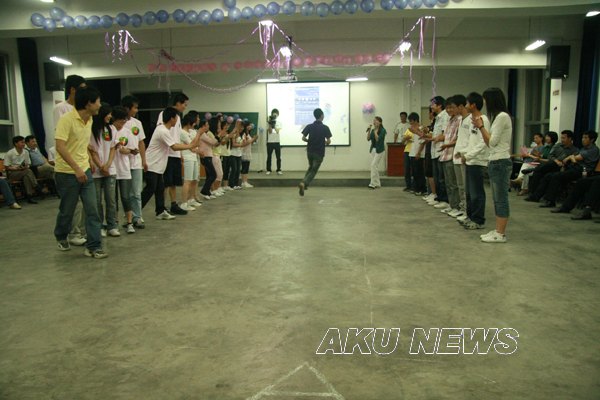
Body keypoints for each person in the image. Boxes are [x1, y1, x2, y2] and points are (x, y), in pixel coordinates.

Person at [53, 86, 107, 258]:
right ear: (88, 103)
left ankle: (93, 246)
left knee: (92, 210)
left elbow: (81, 143)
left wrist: (88, 160)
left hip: (85, 170)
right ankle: (61, 235)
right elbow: (60, 146)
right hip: (66, 173)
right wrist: (76, 168)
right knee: (67, 210)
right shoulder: (66, 120)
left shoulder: (89, 120)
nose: (100, 105)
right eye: (98, 102)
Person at [142, 107, 201, 220]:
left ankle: (160, 211)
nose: (178, 120)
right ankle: (134, 212)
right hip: (152, 164)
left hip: (158, 165)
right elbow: (174, 146)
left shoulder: (166, 130)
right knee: (150, 189)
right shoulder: (162, 130)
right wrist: (190, 146)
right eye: (176, 118)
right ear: (172, 119)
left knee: (160, 189)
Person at [472, 87, 513, 243]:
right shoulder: (498, 117)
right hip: (495, 160)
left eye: (485, 99)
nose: (484, 103)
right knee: (496, 198)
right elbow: (489, 142)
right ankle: (498, 230)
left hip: (500, 161)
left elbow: (492, 141)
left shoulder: (502, 116)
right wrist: (481, 127)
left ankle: (500, 233)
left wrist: (481, 126)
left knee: (501, 198)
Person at [53, 74, 87, 247]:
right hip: (66, 166)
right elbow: (61, 140)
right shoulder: (61, 109)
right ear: (73, 89)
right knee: (69, 206)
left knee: (86, 203)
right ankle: (64, 234)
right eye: (82, 88)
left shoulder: (85, 109)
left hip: (83, 162)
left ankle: (78, 232)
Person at [537, 130, 599, 208]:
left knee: (557, 176)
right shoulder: (583, 149)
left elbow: (576, 158)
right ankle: (538, 196)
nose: (583, 139)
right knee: (549, 175)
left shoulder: (593, 149)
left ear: (592, 140)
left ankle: (550, 201)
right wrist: (571, 158)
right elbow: (573, 158)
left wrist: (570, 157)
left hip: (583, 171)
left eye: (585, 138)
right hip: (575, 168)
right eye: (583, 137)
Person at [460, 92, 490, 229]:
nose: (465, 106)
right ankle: (470, 216)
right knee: (469, 193)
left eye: (467, 103)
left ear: (473, 105)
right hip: (470, 160)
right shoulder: (473, 120)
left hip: (478, 161)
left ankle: (478, 220)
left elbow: (483, 142)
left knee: (477, 193)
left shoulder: (483, 120)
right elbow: (472, 141)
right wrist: (464, 153)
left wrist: (469, 155)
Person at [156, 93, 189, 215]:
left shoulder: (178, 117)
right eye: (184, 104)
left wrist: (180, 154)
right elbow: (162, 131)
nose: (185, 107)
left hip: (176, 153)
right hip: (167, 152)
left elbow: (177, 136)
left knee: (174, 182)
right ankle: (162, 206)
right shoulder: (164, 114)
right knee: (166, 182)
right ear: (178, 103)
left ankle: (174, 204)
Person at [89, 103, 118, 238]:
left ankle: (112, 225)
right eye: (108, 114)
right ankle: (100, 226)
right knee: (97, 201)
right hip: (96, 171)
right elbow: (91, 150)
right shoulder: (91, 129)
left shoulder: (111, 129)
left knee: (111, 200)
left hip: (110, 170)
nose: (110, 116)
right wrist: (100, 166)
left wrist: (107, 165)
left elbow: (113, 148)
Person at [121, 95, 147, 229]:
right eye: (135, 108)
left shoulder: (137, 123)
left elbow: (141, 142)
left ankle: (137, 217)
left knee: (136, 192)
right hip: (122, 164)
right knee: (125, 194)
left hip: (136, 163)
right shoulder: (118, 123)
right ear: (127, 108)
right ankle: (128, 218)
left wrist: (144, 160)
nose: (136, 110)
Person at [111, 106, 136, 234]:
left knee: (126, 197)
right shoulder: (109, 131)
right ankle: (114, 223)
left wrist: (126, 150)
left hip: (124, 169)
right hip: (111, 169)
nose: (123, 123)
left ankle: (129, 222)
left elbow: (133, 149)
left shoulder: (127, 132)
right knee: (112, 199)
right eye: (120, 121)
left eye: (124, 121)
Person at [298, 108, 332, 196]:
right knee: (313, 170)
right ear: (321, 116)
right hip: (319, 152)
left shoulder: (309, 126)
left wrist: (309, 141)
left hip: (310, 151)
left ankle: (304, 185)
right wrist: (324, 142)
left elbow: (303, 138)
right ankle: (303, 183)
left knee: (310, 167)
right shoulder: (325, 128)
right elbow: (328, 141)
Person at [438, 96, 462, 216]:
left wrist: (447, 145)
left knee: (454, 184)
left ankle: (457, 207)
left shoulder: (460, 120)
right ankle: (452, 205)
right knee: (448, 183)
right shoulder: (450, 120)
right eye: (447, 108)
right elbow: (446, 136)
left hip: (453, 155)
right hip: (445, 154)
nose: (449, 110)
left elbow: (459, 138)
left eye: (451, 107)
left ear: (457, 107)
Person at [3, 136, 41, 204]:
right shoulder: (10, 153)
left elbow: (28, 164)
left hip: (23, 171)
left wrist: (25, 167)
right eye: (22, 142)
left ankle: (29, 197)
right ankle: (36, 185)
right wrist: (16, 168)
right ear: (16, 143)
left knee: (26, 177)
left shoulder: (26, 152)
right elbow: (6, 167)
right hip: (13, 174)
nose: (24, 144)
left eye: (24, 142)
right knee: (28, 171)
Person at [180, 112, 201, 211]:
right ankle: (184, 203)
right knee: (187, 181)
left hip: (194, 157)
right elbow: (192, 146)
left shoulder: (191, 131)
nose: (197, 121)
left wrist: (197, 136)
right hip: (187, 157)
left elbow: (197, 143)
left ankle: (190, 199)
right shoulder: (182, 132)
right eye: (196, 119)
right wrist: (199, 134)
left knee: (194, 180)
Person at [406, 112, 426, 195]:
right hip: (412, 152)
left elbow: (423, 141)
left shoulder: (421, 128)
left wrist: (419, 152)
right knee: (414, 172)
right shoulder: (412, 130)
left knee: (419, 172)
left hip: (419, 153)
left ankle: (421, 189)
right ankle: (416, 188)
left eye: (411, 121)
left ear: (415, 120)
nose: (410, 123)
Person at [367, 116, 387, 189]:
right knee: (375, 167)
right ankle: (378, 183)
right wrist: (369, 130)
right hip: (373, 150)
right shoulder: (373, 130)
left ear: (380, 122)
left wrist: (375, 132)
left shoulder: (383, 130)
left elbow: (378, 139)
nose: (374, 122)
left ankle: (372, 183)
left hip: (380, 150)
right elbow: (368, 139)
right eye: (374, 120)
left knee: (373, 165)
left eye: (376, 120)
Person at [241, 122, 258, 188]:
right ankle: (243, 182)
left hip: (248, 152)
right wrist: (253, 139)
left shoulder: (248, 134)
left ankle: (245, 181)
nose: (250, 126)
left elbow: (250, 142)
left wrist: (254, 139)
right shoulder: (244, 134)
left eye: (250, 125)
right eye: (249, 125)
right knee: (244, 167)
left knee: (246, 168)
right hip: (244, 152)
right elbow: (244, 143)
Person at [266, 108, 283, 175]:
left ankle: (278, 169)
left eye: (276, 114)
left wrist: (274, 124)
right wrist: (270, 124)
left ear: (278, 115)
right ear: (272, 114)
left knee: (278, 157)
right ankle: (268, 170)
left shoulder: (279, 122)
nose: (275, 115)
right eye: (274, 114)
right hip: (270, 142)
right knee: (269, 157)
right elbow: (270, 132)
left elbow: (277, 131)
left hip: (277, 142)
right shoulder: (268, 122)